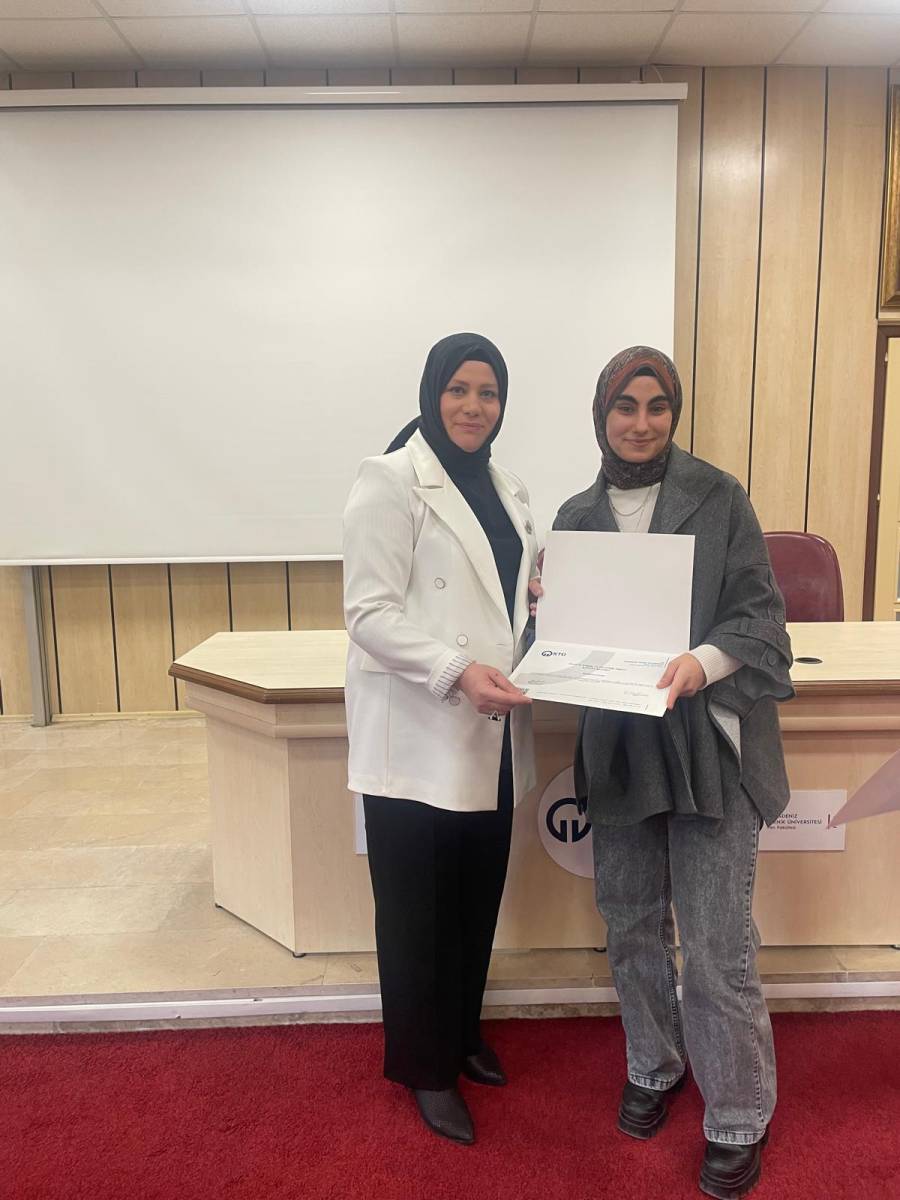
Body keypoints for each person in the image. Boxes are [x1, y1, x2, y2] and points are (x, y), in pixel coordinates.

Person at [543, 346, 794, 1200]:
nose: (642, 422)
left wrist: (701, 662)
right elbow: (560, 643)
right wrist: (545, 621)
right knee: (630, 924)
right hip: (621, 746)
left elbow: (762, 619)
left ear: (674, 413)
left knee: (717, 944)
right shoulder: (575, 517)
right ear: (601, 413)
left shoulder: (719, 497)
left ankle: (738, 1115)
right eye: (625, 406)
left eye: (657, 406)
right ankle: (653, 1064)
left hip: (708, 745)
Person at [342, 332, 537, 1146]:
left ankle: (459, 1034)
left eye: (488, 392)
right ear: (432, 393)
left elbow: (507, 596)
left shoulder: (507, 486)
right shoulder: (389, 480)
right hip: (421, 732)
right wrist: (456, 670)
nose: (473, 406)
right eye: (458, 389)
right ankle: (425, 1068)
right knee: (416, 912)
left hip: (490, 731)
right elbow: (368, 613)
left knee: (472, 899)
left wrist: (539, 607)